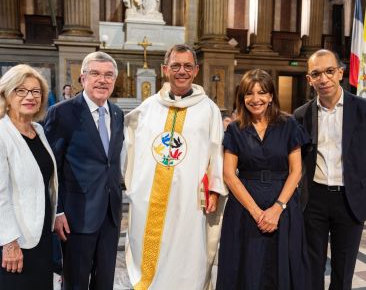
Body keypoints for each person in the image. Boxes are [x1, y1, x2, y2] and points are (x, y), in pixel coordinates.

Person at [123, 44, 227, 289]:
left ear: (196, 70)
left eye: (188, 66)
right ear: (165, 70)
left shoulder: (208, 109)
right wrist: (134, 185)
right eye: (176, 66)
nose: (182, 71)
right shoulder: (148, 107)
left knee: (187, 253)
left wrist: (214, 189)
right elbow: (129, 147)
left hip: (190, 199)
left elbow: (216, 152)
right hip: (150, 197)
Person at [216, 69, 310, 290]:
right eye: (249, 93)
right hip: (245, 208)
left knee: (281, 267)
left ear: (270, 97)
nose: (255, 99)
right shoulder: (235, 129)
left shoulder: (289, 124)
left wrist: (277, 209)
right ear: (242, 97)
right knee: (246, 267)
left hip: (284, 206)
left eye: (262, 93)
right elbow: (229, 174)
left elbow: (296, 170)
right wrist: (257, 213)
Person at [44, 51, 124, 290]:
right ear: (83, 78)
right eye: (96, 73)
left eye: (109, 75)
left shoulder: (118, 113)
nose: (103, 80)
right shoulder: (62, 112)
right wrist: (57, 211)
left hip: (110, 214)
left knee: (105, 281)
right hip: (76, 215)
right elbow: (51, 165)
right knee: (76, 281)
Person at [294, 49, 366, 289]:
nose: (323, 79)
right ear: (309, 79)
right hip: (314, 199)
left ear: (340, 73)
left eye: (329, 71)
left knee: (343, 270)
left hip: (350, 199)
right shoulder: (301, 115)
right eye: (316, 74)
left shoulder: (362, 110)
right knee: (312, 268)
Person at [0, 64, 58, 289]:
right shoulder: (2, 133)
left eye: (36, 91)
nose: (30, 97)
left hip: (39, 232)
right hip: (14, 240)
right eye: (21, 90)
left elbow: (46, 181)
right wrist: (8, 241)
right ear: (7, 93)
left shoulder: (37, 130)